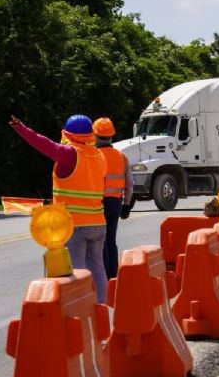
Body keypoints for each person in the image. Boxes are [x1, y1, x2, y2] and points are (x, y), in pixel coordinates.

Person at [9, 114, 108, 303]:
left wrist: (22, 129)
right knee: (97, 268)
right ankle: (100, 308)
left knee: (76, 273)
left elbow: (44, 144)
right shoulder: (99, 155)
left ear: (67, 134)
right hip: (98, 223)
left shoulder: (69, 154)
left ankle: (81, 313)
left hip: (74, 225)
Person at [93, 117, 134, 280]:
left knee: (100, 242)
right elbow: (130, 183)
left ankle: (104, 276)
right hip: (116, 203)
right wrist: (126, 205)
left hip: (99, 204)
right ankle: (114, 275)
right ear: (112, 135)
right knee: (111, 239)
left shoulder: (95, 156)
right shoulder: (121, 156)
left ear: (95, 136)